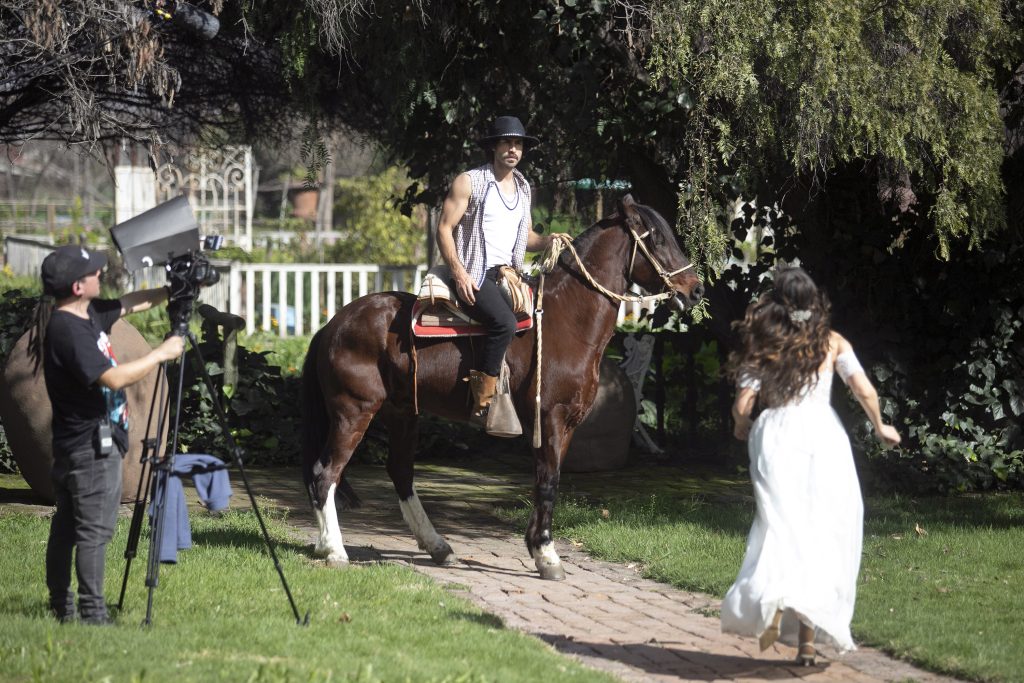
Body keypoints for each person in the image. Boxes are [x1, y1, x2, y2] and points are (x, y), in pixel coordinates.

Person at [721, 267, 900, 665]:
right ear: (814, 302)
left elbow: (741, 404)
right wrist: (880, 425)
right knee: (821, 530)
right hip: (822, 438)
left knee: (782, 529)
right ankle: (805, 643)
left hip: (776, 437)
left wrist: (740, 425)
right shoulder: (832, 343)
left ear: (779, 304)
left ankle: (772, 605)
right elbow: (863, 389)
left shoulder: (766, 344)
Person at [31, 244, 184, 625]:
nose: (101, 274)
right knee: (93, 531)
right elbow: (112, 377)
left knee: (68, 524)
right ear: (78, 287)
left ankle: (62, 605)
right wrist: (160, 354)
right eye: (94, 272)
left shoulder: (87, 315)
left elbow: (131, 303)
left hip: (81, 441)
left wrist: (174, 290)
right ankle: (92, 613)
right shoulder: (69, 330)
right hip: (87, 447)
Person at [435, 115, 555, 417]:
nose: (513, 149)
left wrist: (550, 241)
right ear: (494, 147)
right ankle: (483, 404)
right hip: (474, 274)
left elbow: (525, 237)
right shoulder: (470, 181)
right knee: (505, 323)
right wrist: (459, 272)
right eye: (506, 142)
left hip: (507, 275)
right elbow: (444, 228)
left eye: (518, 144)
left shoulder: (524, 188)